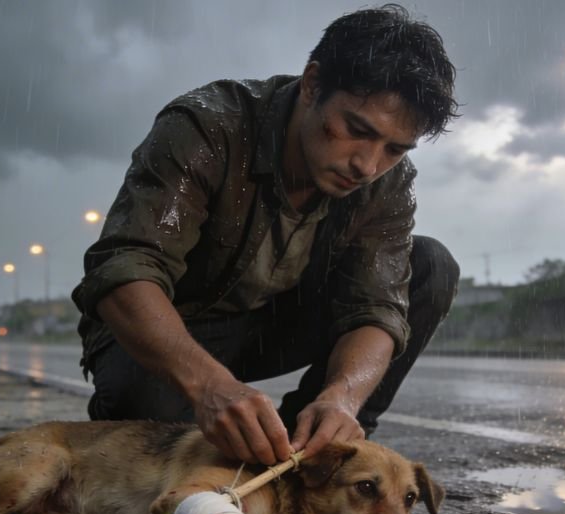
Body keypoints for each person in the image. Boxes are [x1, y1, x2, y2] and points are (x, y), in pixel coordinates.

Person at [71, 4, 460, 466]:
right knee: (156, 443)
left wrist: (344, 397)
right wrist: (209, 387)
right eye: (357, 130)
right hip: (172, 328)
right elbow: (125, 270)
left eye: (395, 149)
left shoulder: (384, 182)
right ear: (313, 84)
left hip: (271, 327)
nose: (368, 165)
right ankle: (162, 406)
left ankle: (318, 446)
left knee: (431, 266)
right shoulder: (209, 127)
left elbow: (377, 306)